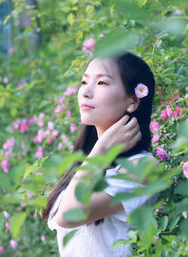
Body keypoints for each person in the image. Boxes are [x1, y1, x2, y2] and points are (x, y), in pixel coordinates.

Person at [42, 51, 160, 256]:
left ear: (132, 101)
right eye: (84, 81)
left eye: (102, 83)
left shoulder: (143, 167)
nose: (86, 92)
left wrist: (101, 150)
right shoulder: (87, 163)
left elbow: (70, 215)